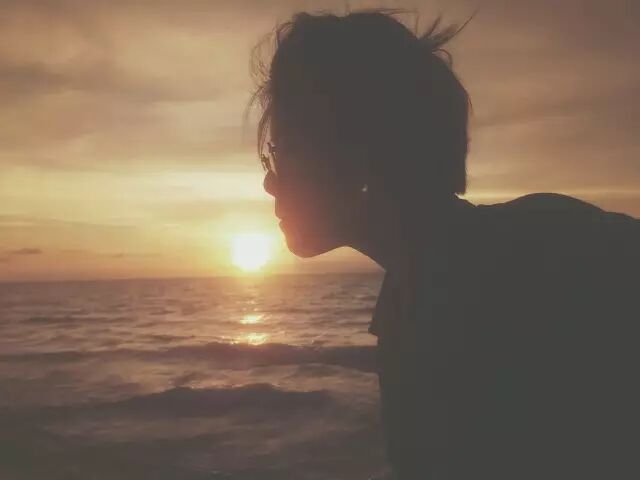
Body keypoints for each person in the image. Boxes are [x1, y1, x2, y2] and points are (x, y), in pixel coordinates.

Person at [249, 9, 640, 480]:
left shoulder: (551, 258)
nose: (271, 182)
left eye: (285, 152)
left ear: (357, 154)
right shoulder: (412, 298)